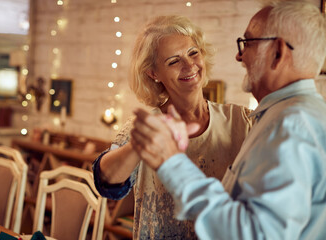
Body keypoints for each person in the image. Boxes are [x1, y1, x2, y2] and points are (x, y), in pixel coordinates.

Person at [131, 0, 326, 239]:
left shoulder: (291, 125)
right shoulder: (287, 117)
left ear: (278, 52)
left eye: (248, 43)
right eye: (173, 60)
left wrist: (172, 162)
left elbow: (255, 235)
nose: (239, 55)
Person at [93, 15, 253, 239]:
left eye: (193, 52)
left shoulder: (243, 121)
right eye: (173, 61)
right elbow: (106, 183)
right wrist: (138, 146)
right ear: (153, 73)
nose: (190, 66)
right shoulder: (145, 127)